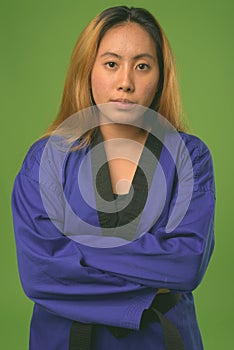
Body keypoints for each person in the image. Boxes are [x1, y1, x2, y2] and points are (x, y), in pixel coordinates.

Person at [11, 6, 216, 350]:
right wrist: (153, 280)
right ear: (86, 70)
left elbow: (186, 265)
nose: (125, 82)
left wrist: (76, 249)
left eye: (142, 66)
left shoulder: (189, 157)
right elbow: (38, 274)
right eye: (111, 64)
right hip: (64, 340)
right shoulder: (45, 160)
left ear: (161, 76)